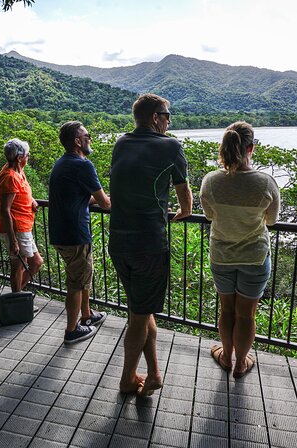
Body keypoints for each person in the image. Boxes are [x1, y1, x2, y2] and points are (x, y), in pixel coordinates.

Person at [109, 93, 193, 396]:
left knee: (141, 312)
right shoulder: (170, 146)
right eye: (167, 115)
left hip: (118, 241)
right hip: (149, 244)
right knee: (138, 318)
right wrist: (182, 213)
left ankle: (155, 374)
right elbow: (186, 200)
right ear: (156, 117)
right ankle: (127, 379)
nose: (169, 120)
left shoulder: (121, 143)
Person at [200, 122, 280, 379]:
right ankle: (241, 363)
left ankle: (225, 354)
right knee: (246, 315)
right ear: (251, 148)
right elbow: (271, 221)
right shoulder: (265, 183)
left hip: (222, 256)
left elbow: (210, 215)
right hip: (255, 257)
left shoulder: (211, 181)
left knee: (226, 310)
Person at [49, 121, 112, 344]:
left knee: (83, 276)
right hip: (75, 234)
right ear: (77, 141)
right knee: (76, 283)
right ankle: (71, 330)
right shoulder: (83, 165)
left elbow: (82, 197)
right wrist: (115, 200)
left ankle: (87, 315)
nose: (90, 139)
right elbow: (105, 204)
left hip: (60, 232)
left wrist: (102, 199)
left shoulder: (62, 163)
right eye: (87, 135)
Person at [0, 138, 43, 293]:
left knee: (35, 262)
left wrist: (31, 200)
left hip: (24, 227)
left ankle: (18, 297)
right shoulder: (10, 176)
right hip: (16, 229)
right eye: (27, 155)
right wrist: (13, 241)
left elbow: (21, 192)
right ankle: (17, 298)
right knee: (19, 266)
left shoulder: (17, 170)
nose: (28, 157)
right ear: (19, 158)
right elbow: (5, 209)